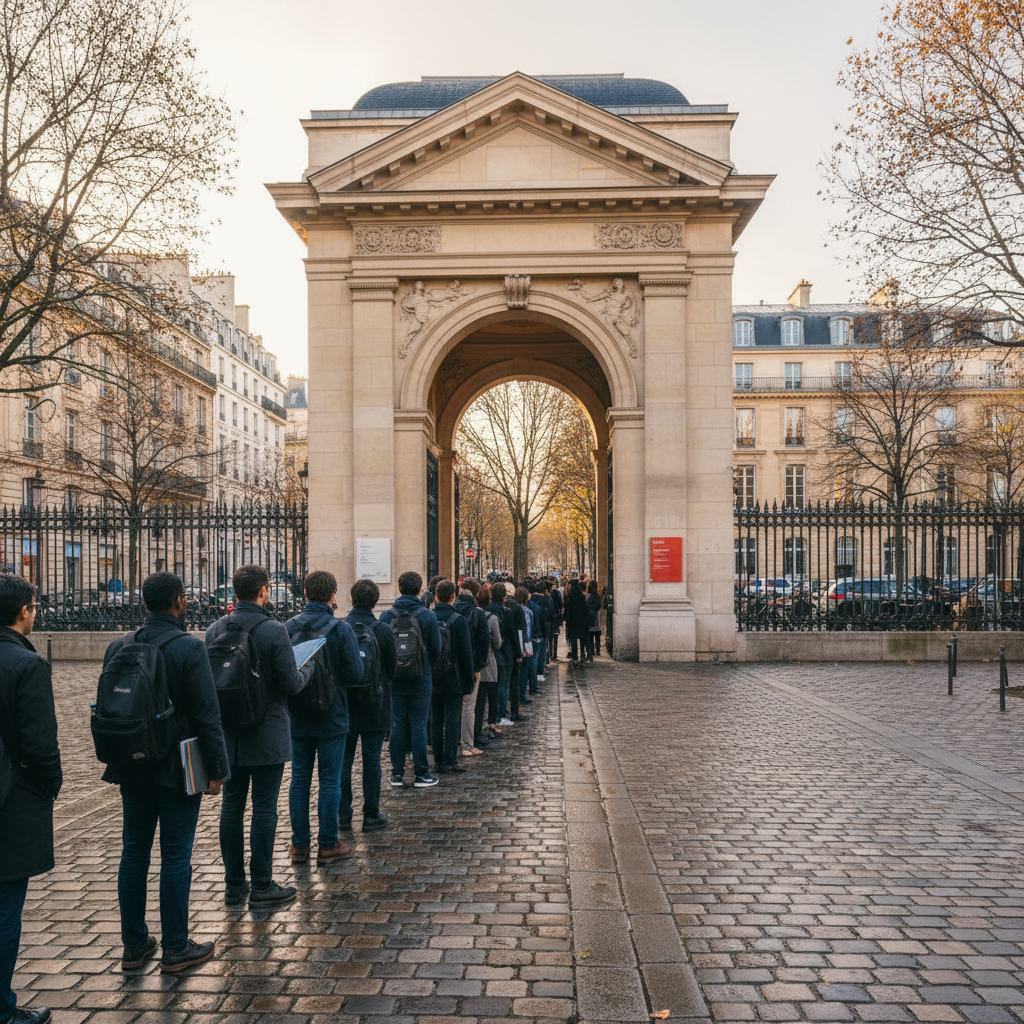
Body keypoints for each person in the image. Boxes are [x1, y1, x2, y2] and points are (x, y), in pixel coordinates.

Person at [101, 572, 227, 973]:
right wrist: (218, 770)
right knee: (176, 854)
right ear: (179, 600)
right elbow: (208, 715)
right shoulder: (189, 647)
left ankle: (134, 946)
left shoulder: (119, 645)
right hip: (177, 766)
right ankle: (175, 946)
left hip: (131, 763)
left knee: (133, 852)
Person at [206, 565, 309, 908]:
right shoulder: (273, 630)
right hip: (266, 732)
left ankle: (234, 884)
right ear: (264, 590)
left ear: (236, 591)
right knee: (264, 808)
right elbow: (290, 685)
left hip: (229, 734)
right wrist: (306, 668)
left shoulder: (215, 629)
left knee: (231, 807)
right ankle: (262, 885)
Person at [0, 575, 61, 1023]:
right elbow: (41, 744)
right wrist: (50, 786)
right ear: (25, 611)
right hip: (12, 797)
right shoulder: (26, 665)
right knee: (5, 906)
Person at [286, 570, 364, 865]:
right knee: (329, 781)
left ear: (304, 591)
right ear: (333, 595)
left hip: (297, 714)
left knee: (299, 779)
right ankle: (328, 844)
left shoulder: (288, 626)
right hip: (332, 713)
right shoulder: (340, 628)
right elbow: (356, 673)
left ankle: (300, 845)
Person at [342, 579, 397, 831]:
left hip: (345, 706)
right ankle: (371, 814)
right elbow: (391, 668)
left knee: (343, 762)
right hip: (375, 703)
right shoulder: (383, 629)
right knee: (372, 762)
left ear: (352, 599)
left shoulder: (340, 627)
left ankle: (343, 814)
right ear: (375, 601)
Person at [380, 571, 441, 788]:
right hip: (420, 679)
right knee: (418, 724)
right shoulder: (427, 615)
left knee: (397, 724)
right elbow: (436, 649)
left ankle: (396, 773)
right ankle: (421, 773)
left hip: (395, 679)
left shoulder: (387, 616)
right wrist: (424, 667)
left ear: (399, 587)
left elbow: (383, 649)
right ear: (419, 589)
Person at [430, 580, 474, 774]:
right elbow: (466, 654)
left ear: (436, 596)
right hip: (453, 676)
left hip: (432, 676)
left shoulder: (428, 617)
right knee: (452, 719)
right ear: (453, 596)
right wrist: (468, 681)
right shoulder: (459, 620)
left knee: (436, 719)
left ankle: (438, 759)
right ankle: (450, 759)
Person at [453, 579, 488, 757]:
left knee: (450, 706)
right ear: (475, 593)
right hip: (471, 666)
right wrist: (478, 667)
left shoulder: (449, 609)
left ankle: (450, 743)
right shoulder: (478, 613)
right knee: (468, 706)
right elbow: (484, 643)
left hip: (450, 666)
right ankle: (467, 744)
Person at [474, 585, 502, 749]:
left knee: (477, 700)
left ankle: (476, 729)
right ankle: (491, 723)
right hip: (489, 661)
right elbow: (497, 643)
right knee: (492, 695)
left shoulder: (470, 615)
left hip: (475, 662)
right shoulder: (492, 618)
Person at [527, 586, 550, 691]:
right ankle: (538, 675)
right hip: (539, 634)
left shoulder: (529, 605)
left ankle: (530, 680)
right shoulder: (544, 601)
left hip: (530, 635)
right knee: (537, 657)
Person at [563, 580, 588, 663]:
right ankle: (583, 655)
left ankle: (575, 654)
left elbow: (568, 610)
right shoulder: (581, 596)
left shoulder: (570, 596)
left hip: (572, 621)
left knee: (573, 639)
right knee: (582, 638)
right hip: (581, 620)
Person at [584, 580, 603, 662]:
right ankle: (598, 650)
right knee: (597, 633)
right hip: (595, 616)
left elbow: (585, 605)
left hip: (589, 616)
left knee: (590, 635)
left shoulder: (588, 596)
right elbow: (599, 606)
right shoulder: (597, 595)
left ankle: (591, 651)